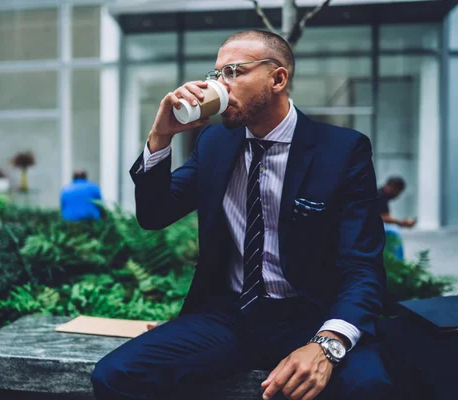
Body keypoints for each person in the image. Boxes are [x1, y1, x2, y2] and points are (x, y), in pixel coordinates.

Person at [91, 30, 394, 400]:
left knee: (370, 388)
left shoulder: (342, 150)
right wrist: (160, 137)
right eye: (217, 74)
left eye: (233, 71)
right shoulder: (215, 142)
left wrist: (327, 344)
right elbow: (154, 214)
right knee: (114, 375)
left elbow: (362, 266)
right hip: (231, 317)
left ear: (278, 78)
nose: (219, 84)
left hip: (314, 316)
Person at [377, 176, 416, 260]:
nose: (398, 196)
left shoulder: (380, 194)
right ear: (393, 188)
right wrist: (402, 223)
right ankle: (397, 262)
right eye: (399, 192)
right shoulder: (381, 195)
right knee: (394, 234)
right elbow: (385, 218)